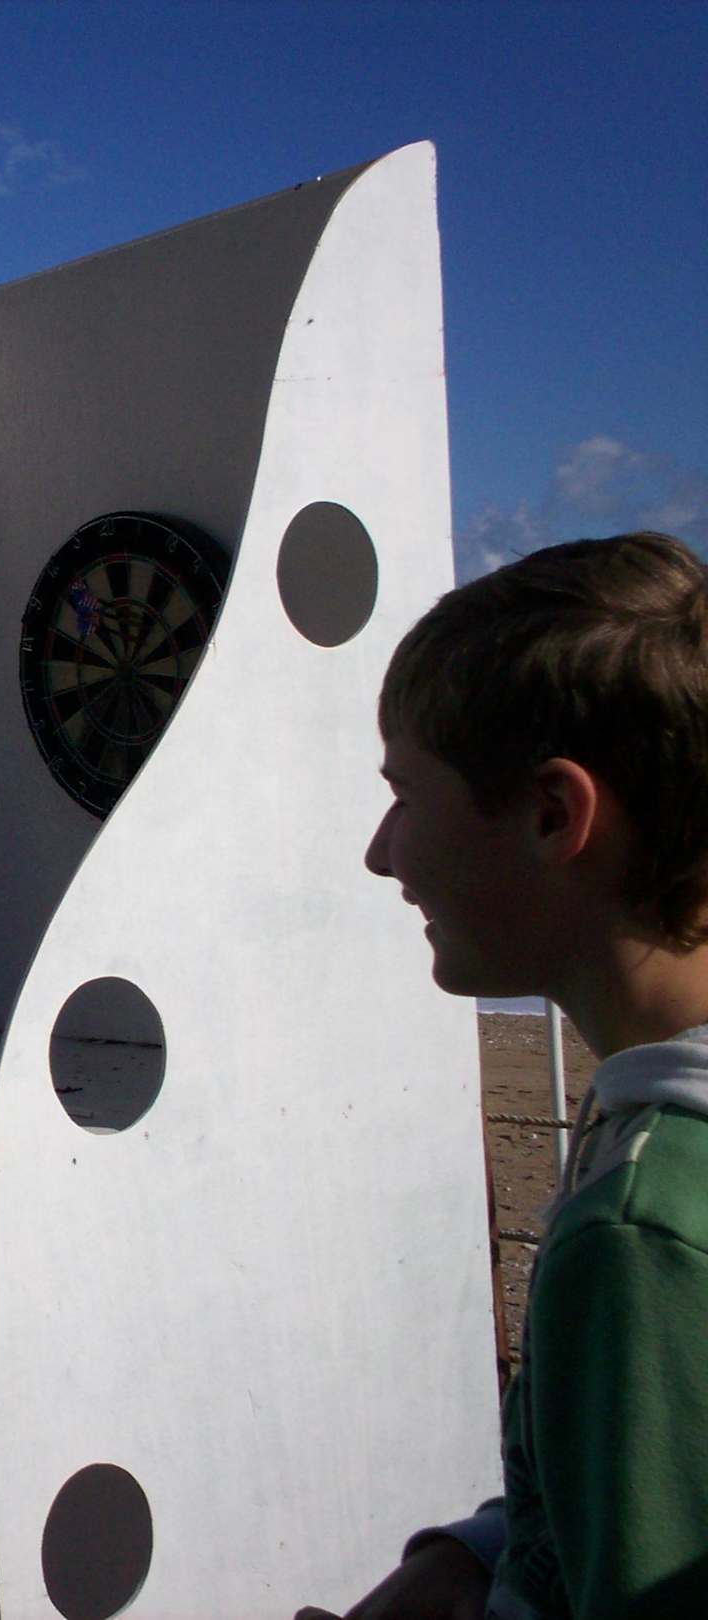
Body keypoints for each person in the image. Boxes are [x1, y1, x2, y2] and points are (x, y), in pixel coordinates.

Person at [300, 532, 708, 1620]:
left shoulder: (641, 1234)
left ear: (551, 815)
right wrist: (478, 1559)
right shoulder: (654, 1118)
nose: (381, 853)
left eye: (406, 796)